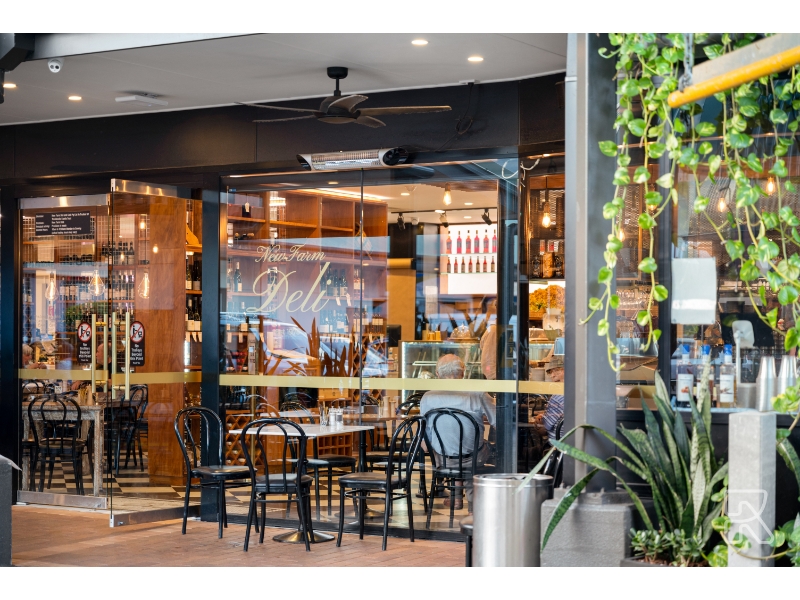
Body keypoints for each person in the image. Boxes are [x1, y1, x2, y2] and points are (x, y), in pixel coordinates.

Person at [420, 354, 496, 512]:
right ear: (463, 372)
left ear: (438, 374)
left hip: (444, 461)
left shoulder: (428, 397)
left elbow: (425, 441)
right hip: (474, 459)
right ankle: (473, 503)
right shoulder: (477, 393)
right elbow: (498, 421)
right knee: (481, 449)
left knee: (453, 450)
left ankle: (456, 495)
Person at [534, 355, 565, 440]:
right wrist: (545, 416)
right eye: (551, 372)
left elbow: (543, 430)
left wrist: (538, 422)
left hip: (558, 445)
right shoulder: (578, 392)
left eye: (557, 370)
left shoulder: (558, 396)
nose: (552, 375)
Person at [479, 298, 497, 380]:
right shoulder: (493, 330)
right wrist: (494, 379)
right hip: (497, 381)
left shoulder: (497, 329)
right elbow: (487, 362)